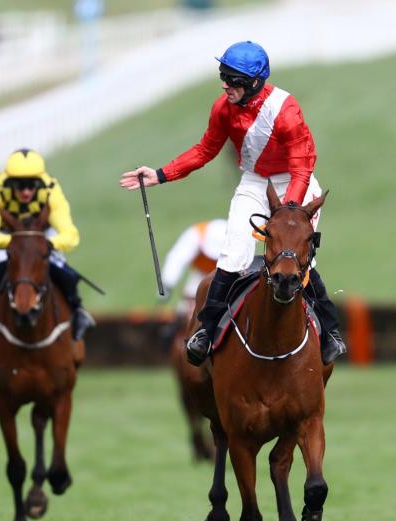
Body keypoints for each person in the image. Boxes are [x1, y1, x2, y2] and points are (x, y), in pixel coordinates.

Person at [119, 41, 346, 365]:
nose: (225, 83)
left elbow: (302, 165)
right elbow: (204, 150)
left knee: (298, 260)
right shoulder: (222, 109)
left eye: (233, 78)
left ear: (255, 81)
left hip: (296, 181)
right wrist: (160, 174)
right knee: (233, 253)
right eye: (223, 75)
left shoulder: (285, 110)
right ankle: (206, 330)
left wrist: (288, 213)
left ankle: (331, 332)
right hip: (256, 182)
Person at [0, 148, 94, 341]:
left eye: (31, 185)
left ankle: (78, 311)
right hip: (8, 237)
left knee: (64, 272)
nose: (26, 191)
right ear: (9, 182)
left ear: (40, 182)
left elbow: (70, 236)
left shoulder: (51, 188)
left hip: (41, 237)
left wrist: (43, 245)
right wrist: (20, 244)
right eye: (19, 185)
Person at [159, 219, 226, 318]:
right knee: (188, 304)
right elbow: (176, 259)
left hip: (226, 272)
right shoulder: (194, 236)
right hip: (202, 272)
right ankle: (182, 321)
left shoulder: (237, 242)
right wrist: (167, 284)